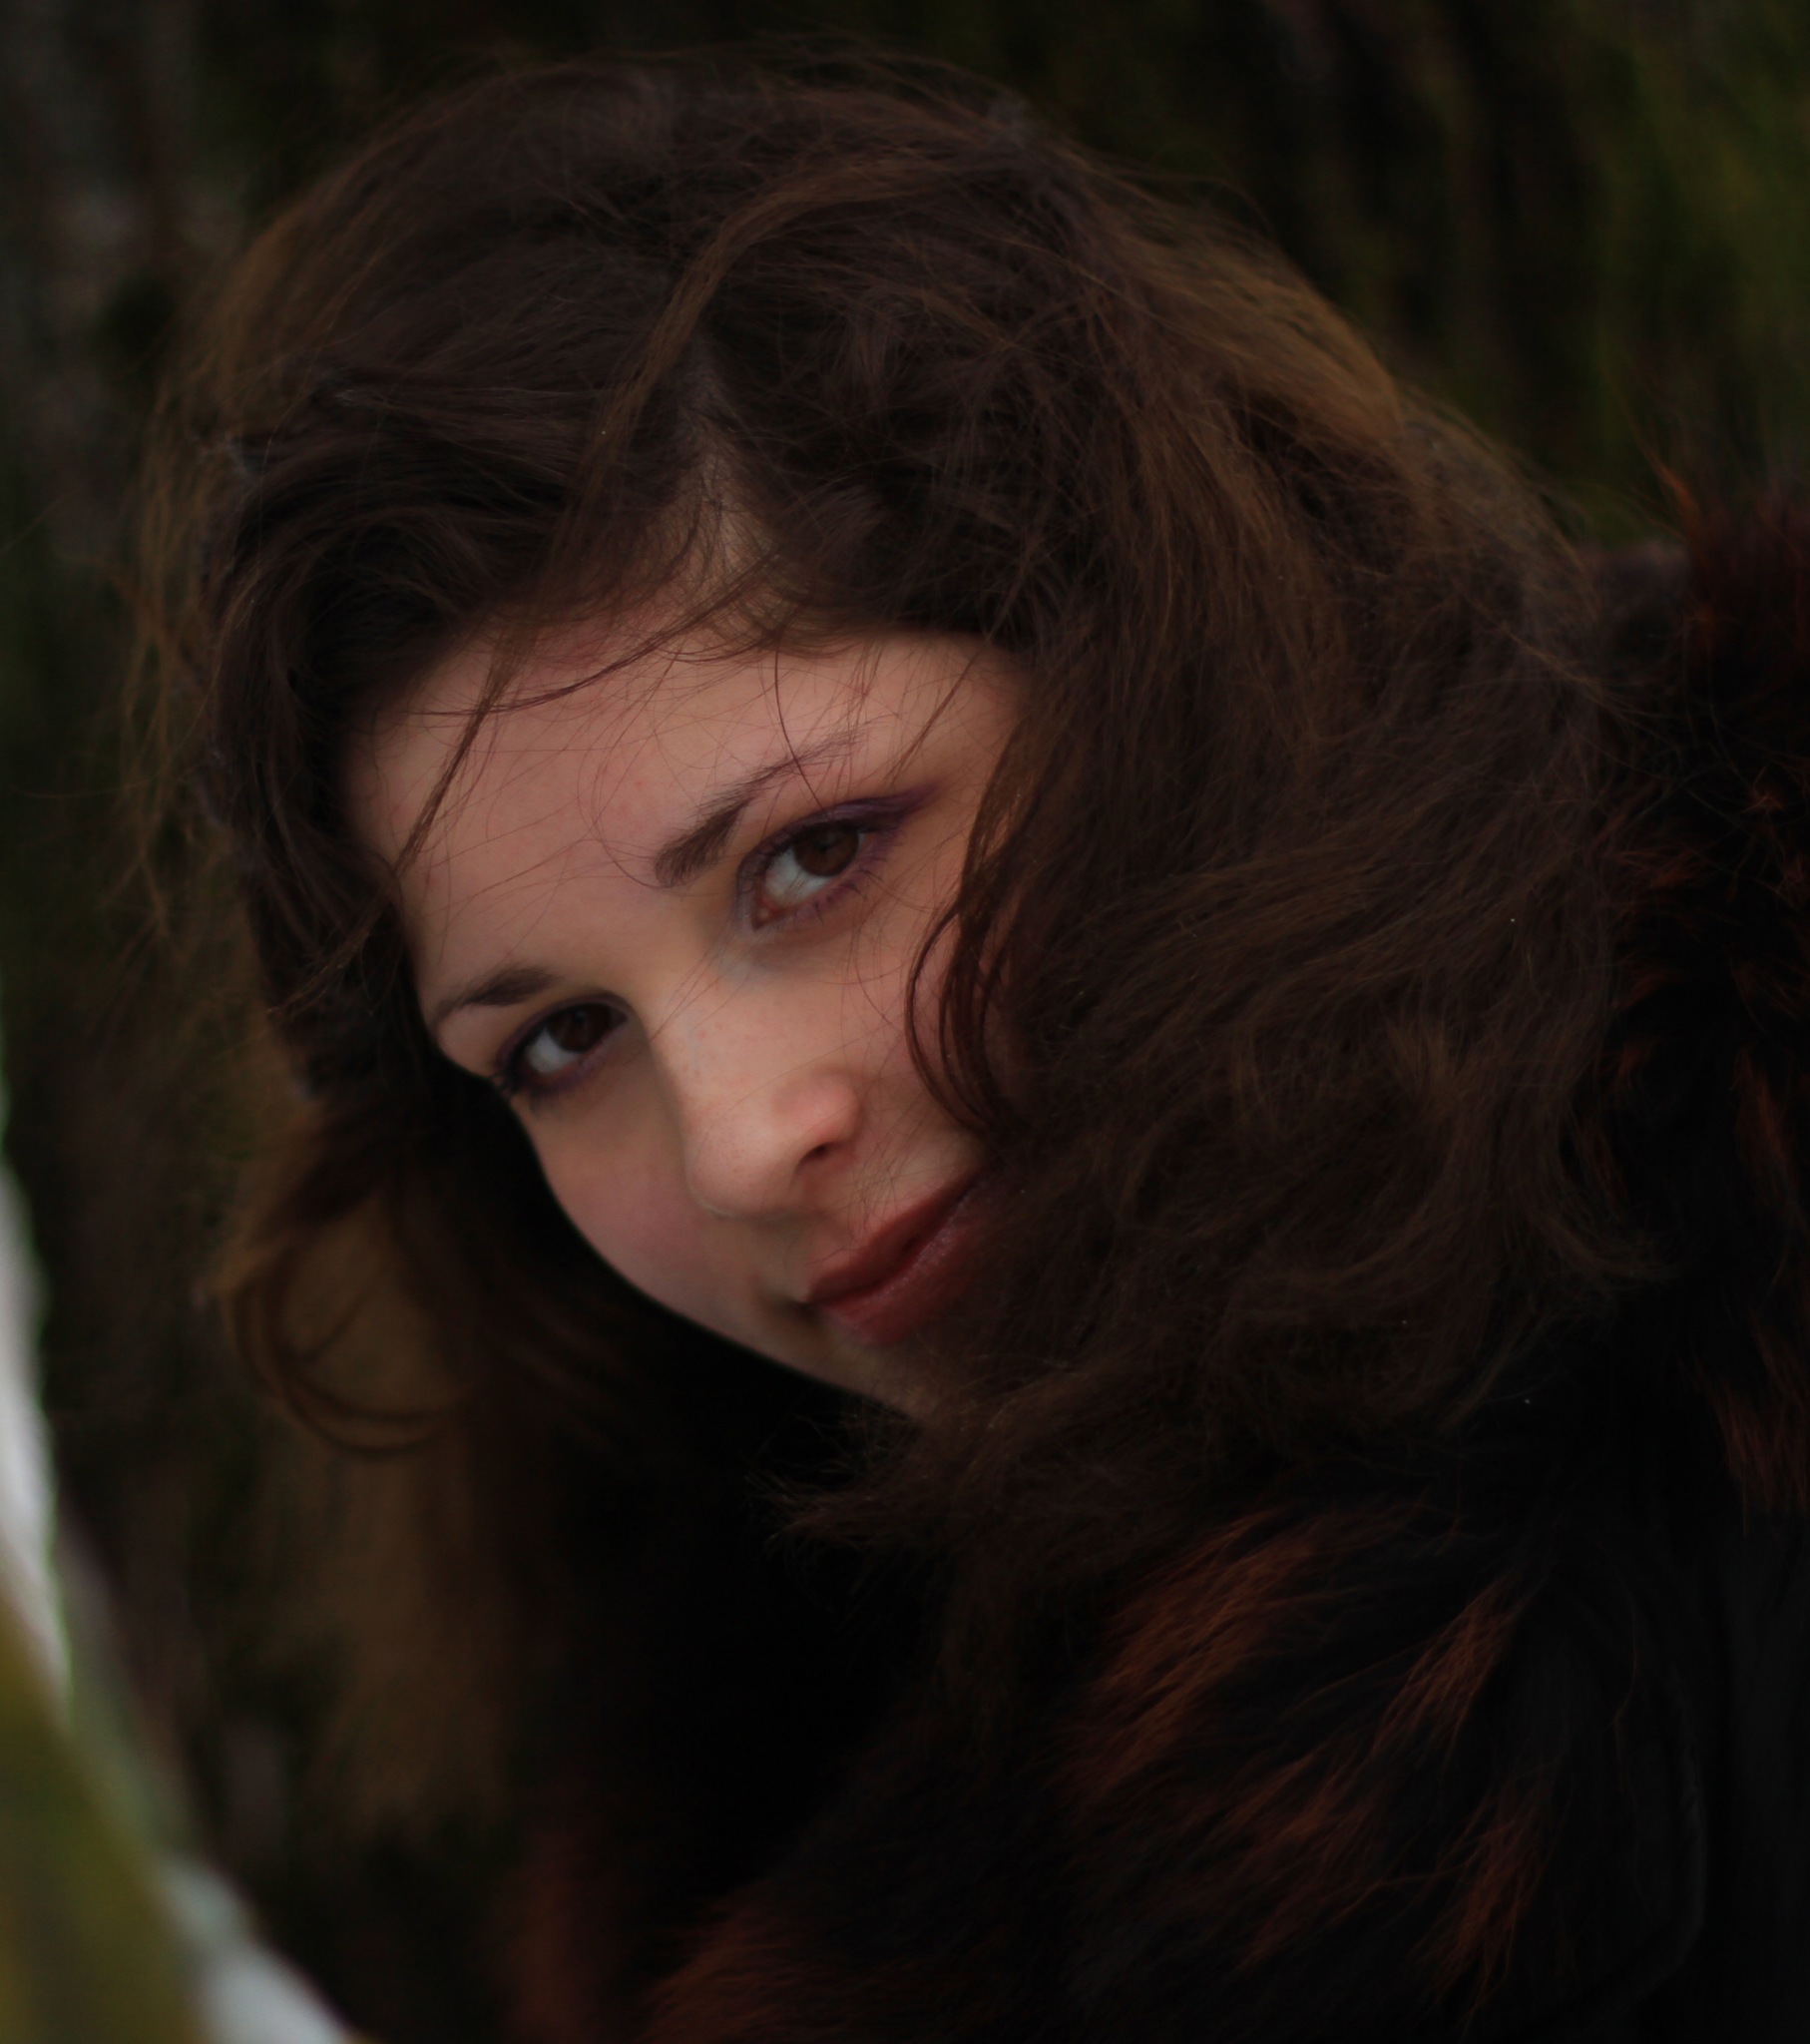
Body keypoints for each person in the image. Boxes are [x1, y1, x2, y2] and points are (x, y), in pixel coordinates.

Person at [139, 52, 1810, 2042]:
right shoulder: (756, 1749)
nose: (739, 1142)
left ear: (1154, 655)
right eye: (562, 1040)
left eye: (812, 858)